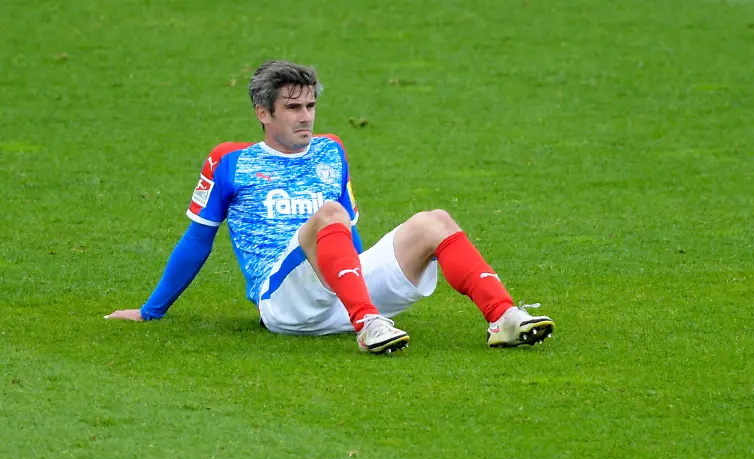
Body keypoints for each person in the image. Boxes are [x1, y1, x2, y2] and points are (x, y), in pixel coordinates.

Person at [106, 59, 554, 354]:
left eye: (311, 105)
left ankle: (504, 317)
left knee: (433, 221)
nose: (306, 116)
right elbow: (197, 240)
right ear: (263, 113)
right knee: (328, 216)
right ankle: (368, 326)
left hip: (343, 289)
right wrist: (151, 312)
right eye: (293, 107)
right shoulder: (230, 160)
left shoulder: (331, 150)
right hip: (283, 303)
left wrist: (356, 280)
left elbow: (350, 237)